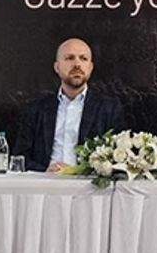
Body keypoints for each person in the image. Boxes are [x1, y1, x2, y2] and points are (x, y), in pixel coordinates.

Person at [13, 37, 127, 172]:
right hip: (44, 180)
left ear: (90, 67)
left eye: (83, 58)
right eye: (70, 58)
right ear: (57, 67)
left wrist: (81, 172)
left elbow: (119, 158)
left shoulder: (109, 108)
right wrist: (45, 170)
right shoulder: (36, 109)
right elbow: (19, 158)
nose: (77, 64)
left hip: (88, 183)